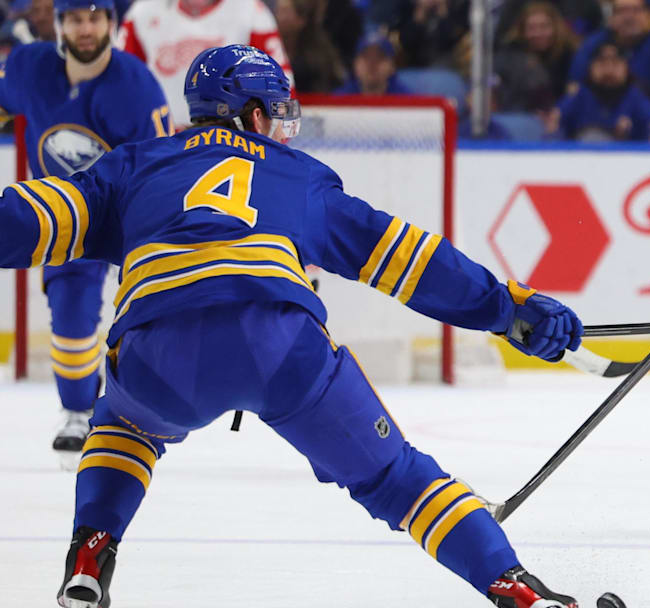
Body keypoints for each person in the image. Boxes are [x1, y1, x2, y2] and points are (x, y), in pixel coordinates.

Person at [0, 44, 586, 608]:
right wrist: (508, 308)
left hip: (158, 352)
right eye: (277, 115)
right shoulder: (300, 176)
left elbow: (28, 221)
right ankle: (517, 590)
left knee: (124, 424)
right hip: (280, 347)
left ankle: (90, 554)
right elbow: (410, 260)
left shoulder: (131, 164)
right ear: (253, 114)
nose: (282, 129)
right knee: (395, 477)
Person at [0, 0, 171, 469]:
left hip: (128, 213)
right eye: (76, 18)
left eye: (96, 18)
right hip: (65, 214)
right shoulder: (28, 67)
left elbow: (159, 166)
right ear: (59, 25)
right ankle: (78, 413)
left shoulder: (136, 86)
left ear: (112, 24)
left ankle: (153, 407)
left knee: (154, 307)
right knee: (71, 315)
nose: (86, 28)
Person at [116, 0, 291, 126]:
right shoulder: (141, 12)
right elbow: (119, 84)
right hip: (160, 142)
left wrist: (264, 147)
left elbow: (284, 91)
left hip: (232, 142)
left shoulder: (252, 12)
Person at [566, 0, 650, 102]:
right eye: (622, 11)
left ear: (648, 15)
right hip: (602, 117)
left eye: (636, 10)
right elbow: (573, 88)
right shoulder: (594, 43)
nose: (629, 17)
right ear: (611, 18)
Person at [556, 41, 650, 142]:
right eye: (602, 64)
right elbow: (556, 123)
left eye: (615, 64)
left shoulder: (635, 97)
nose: (609, 70)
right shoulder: (580, 95)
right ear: (591, 68)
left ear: (626, 68)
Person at [494, 1, 578, 115]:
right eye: (531, 28)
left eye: (544, 26)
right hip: (518, 114)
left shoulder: (569, 54)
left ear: (555, 27)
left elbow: (573, 92)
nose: (538, 33)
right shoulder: (511, 54)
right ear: (523, 31)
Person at [275, 0, 345, 93]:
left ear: (301, 20)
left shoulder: (318, 54)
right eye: (278, 11)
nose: (279, 17)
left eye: (285, 12)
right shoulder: (270, 45)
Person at [336, 32, 411, 96]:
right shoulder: (338, 101)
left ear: (392, 66)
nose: (372, 64)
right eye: (366, 57)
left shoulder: (406, 101)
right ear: (355, 64)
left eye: (380, 57)